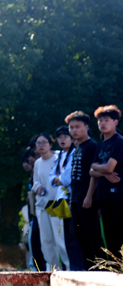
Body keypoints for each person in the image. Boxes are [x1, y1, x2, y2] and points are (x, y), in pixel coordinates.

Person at [65, 111, 102, 268]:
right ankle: (89, 269)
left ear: (86, 127)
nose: (74, 130)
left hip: (87, 199)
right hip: (75, 199)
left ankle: (103, 269)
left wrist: (89, 196)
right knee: (79, 236)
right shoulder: (77, 148)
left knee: (92, 235)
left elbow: (94, 175)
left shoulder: (92, 146)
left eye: (77, 127)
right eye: (71, 127)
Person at [88, 105, 123, 259]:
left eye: (106, 120)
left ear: (115, 122)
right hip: (102, 195)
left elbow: (109, 168)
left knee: (119, 232)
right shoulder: (101, 143)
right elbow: (91, 170)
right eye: (100, 120)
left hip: (118, 194)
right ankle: (115, 269)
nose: (102, 123)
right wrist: (103, 173)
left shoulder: (119, 141)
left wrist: (99, 170)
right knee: (108, 235)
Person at [31, 133, 68, 270]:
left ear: (50, 144)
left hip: (56, 204)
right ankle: (53, 269)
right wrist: (38, 188)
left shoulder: (59, 158)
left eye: (44, 142)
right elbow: (35, 182)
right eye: (38, 143)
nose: (41, 145)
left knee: (60, 240)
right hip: (42, 205)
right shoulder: (37, 163)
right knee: (46, 241)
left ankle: (69, 268)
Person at [50, 125, 83, 270]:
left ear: (71, 138)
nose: (62, 140)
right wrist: (58, 179)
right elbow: (51, 179)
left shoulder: (74, 153)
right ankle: (71, 268)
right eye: (60, 137)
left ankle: (77, 267)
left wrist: (58, 180)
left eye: (65, 137)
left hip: (72, 198)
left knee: (74, 235)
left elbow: (66, 178)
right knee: (65, 236)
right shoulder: (57, 156)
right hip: (60, 199)